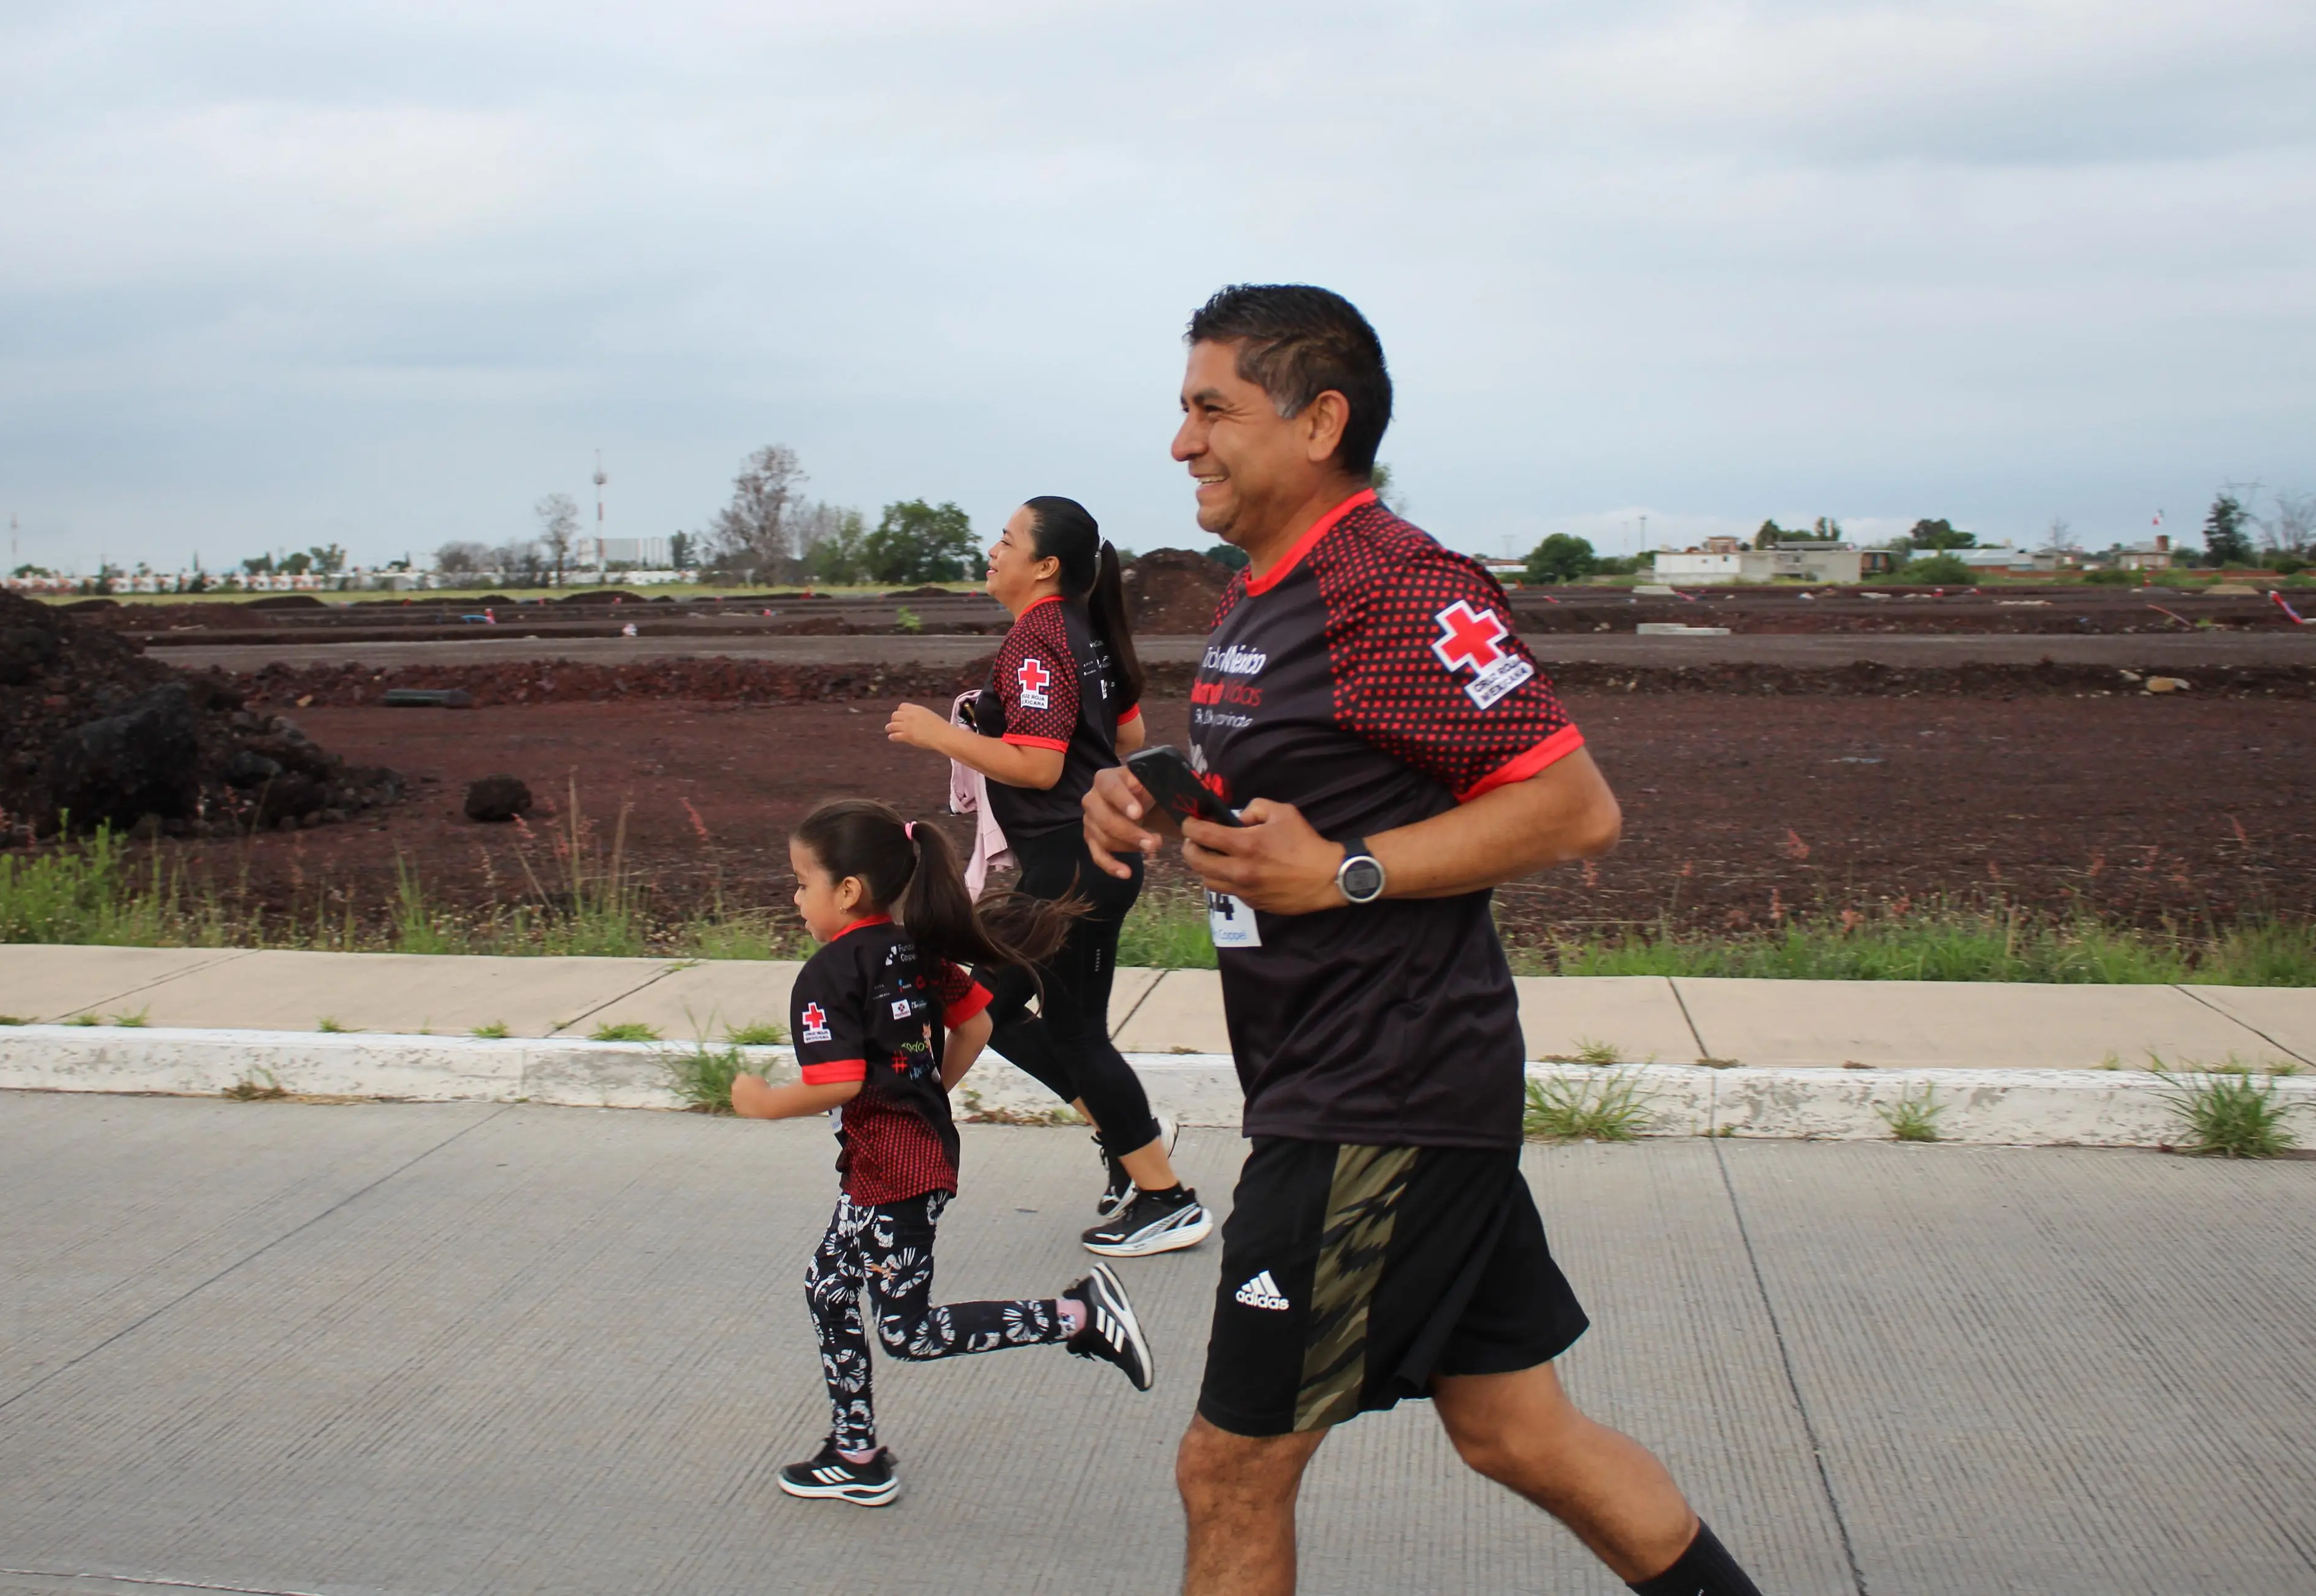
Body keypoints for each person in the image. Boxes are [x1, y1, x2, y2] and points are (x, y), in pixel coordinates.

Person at [1082, 286, 1770, 1596]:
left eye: (1211, 408)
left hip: (1377, 1093)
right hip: (1360, 1077)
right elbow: (1303, 805)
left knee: (1230, 1468)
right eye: (1183, 410)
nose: (1181, 444)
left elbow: (1574, 809)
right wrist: (1157, 805)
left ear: (1319, 420)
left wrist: (1340, 873)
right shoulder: (1261, 595)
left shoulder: (1392, 587)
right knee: (1518, 1431)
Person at [730, 797, 1155, 1507]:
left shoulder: (829, 974)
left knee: (908, 1332)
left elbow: (839, 1080)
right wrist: (932, 1088)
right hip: (898, 1160)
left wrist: (763, 1101)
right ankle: (855, 1451)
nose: (794, 896)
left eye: (800, 881)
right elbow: (978, 1022)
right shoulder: (913, 949)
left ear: (847, 891)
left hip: (896, 1173)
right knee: (828, 1287)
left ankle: (1080, 1316)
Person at [885, 496, 1212, 1258]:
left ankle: (1164, 1196)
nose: (991, 550)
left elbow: (1041, 764)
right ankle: (1122, 1141)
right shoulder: (1082, 629)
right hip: (1080, 859)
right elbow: (1124, 731)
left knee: (1051, 1025)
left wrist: (945, 735)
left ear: (1045, 565)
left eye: (1005, 539)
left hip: (1072, 866)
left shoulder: (1037, 636)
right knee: (990, 1004)